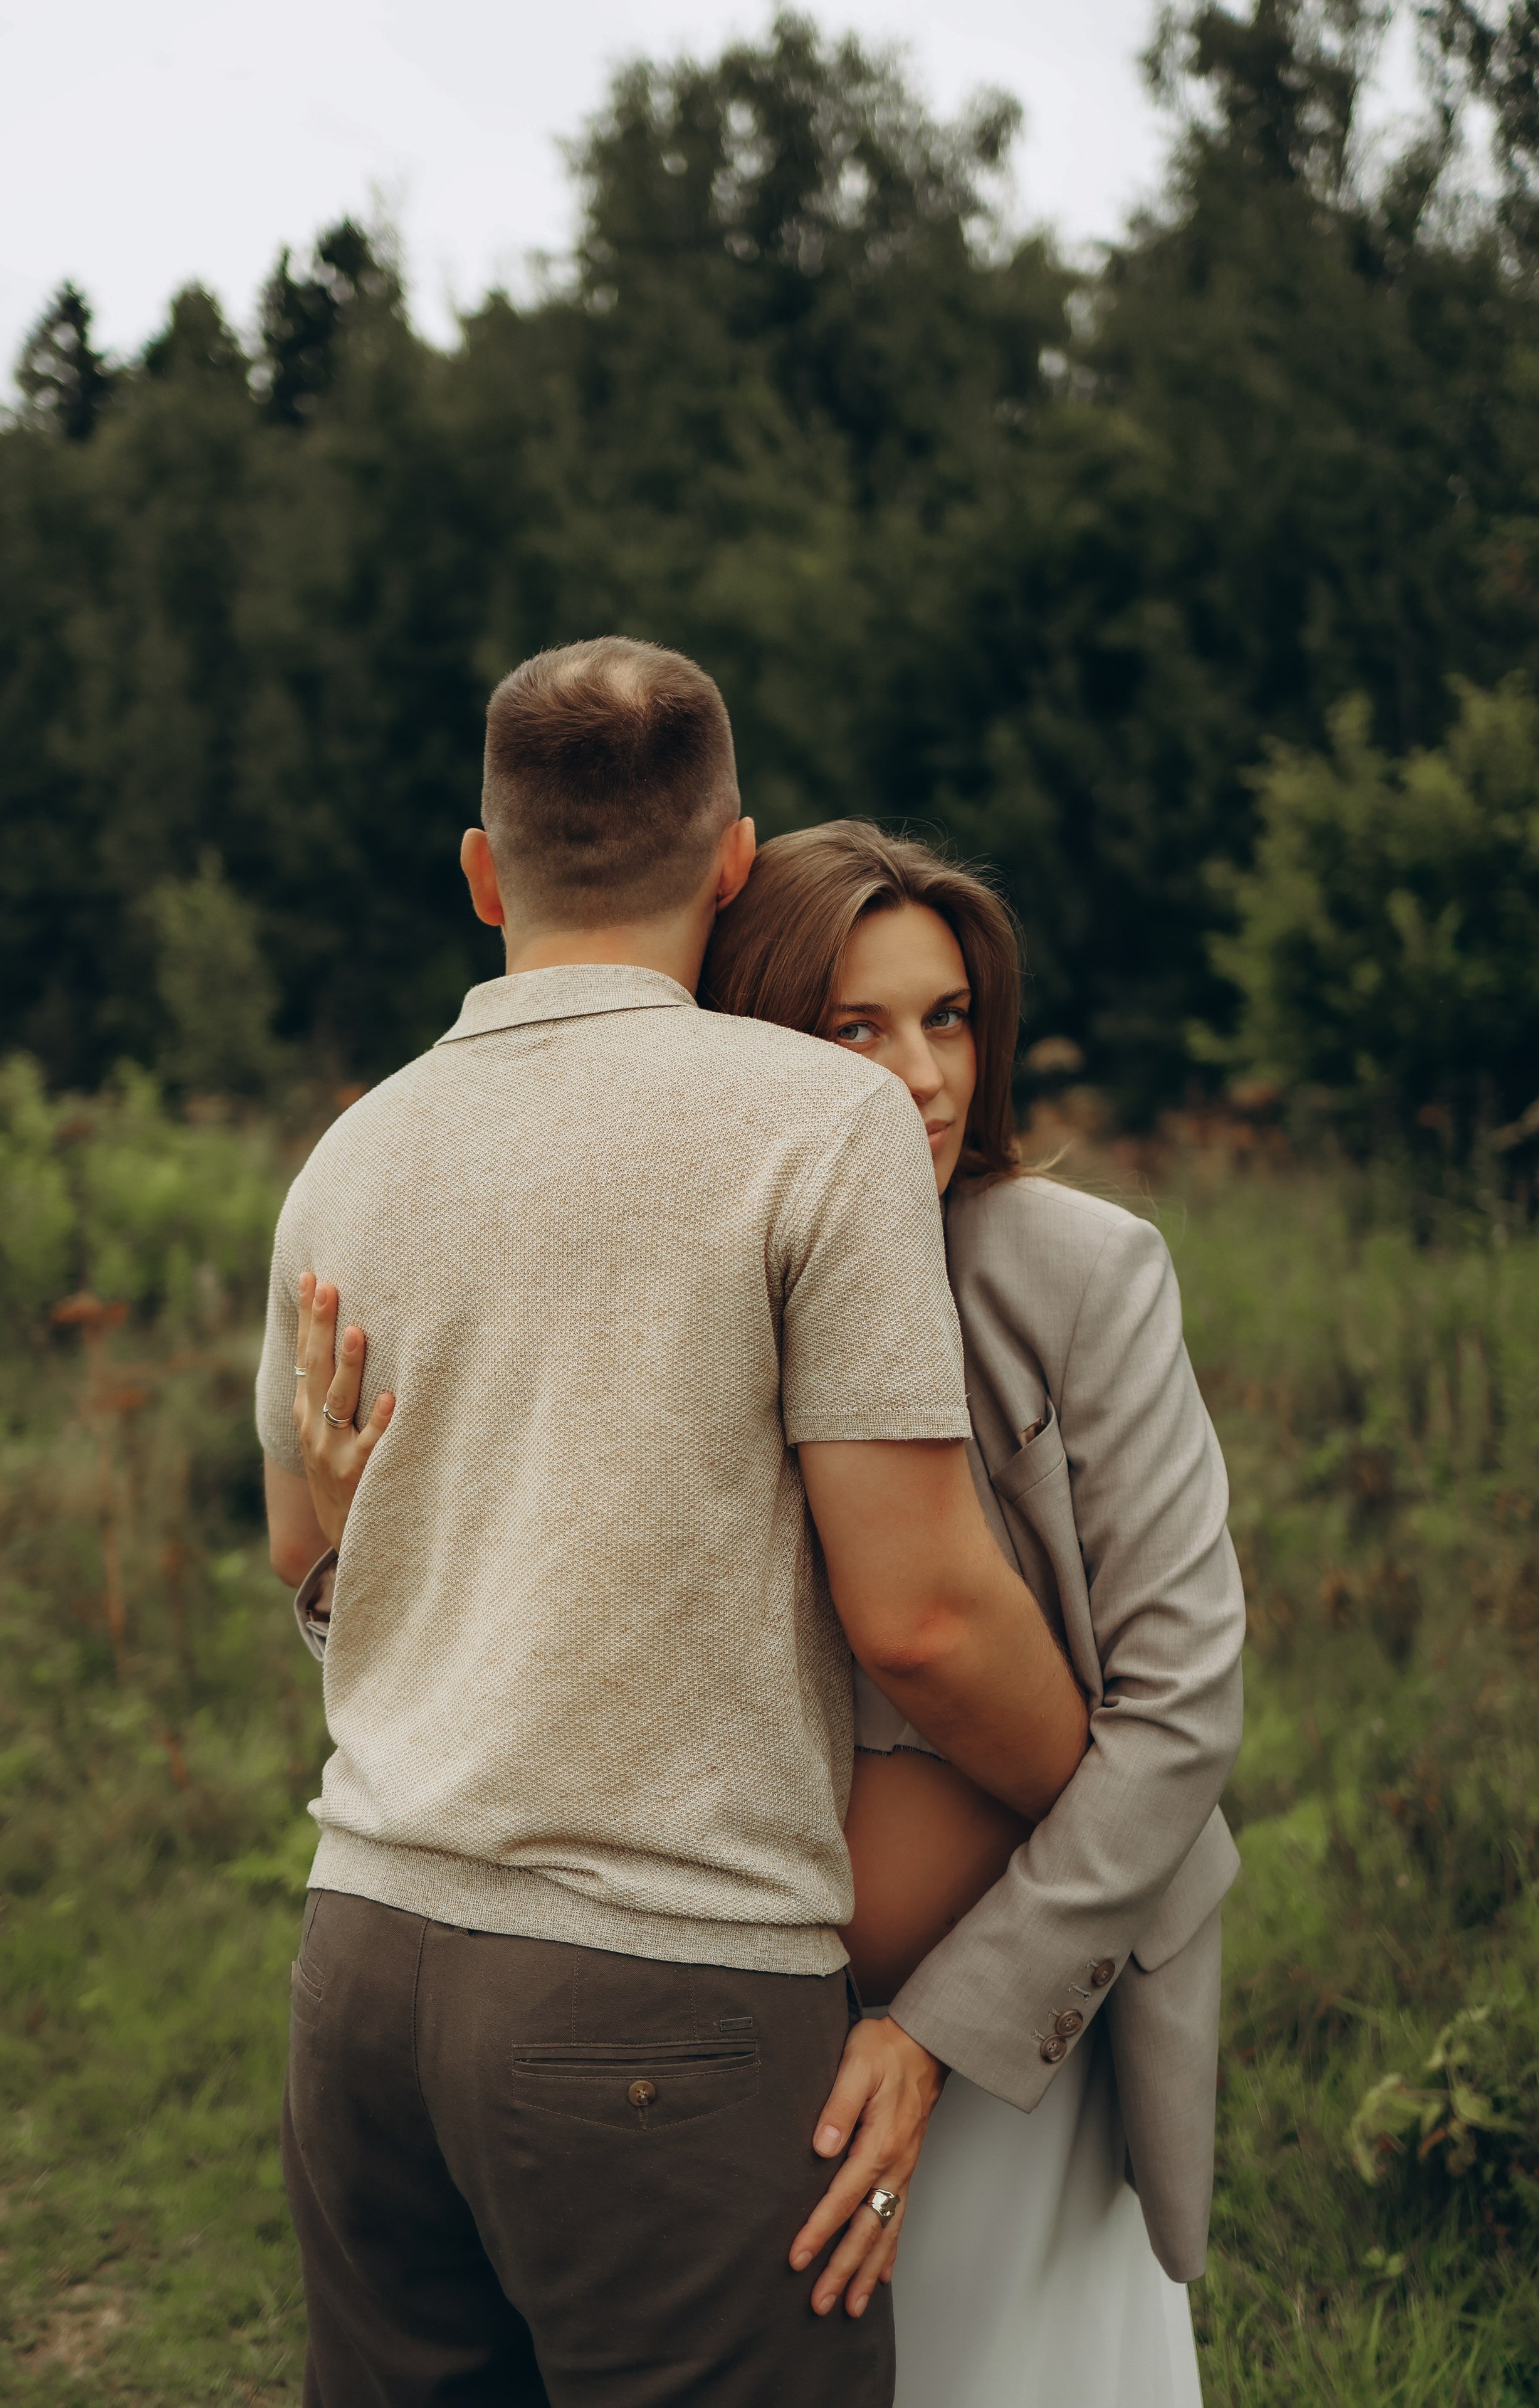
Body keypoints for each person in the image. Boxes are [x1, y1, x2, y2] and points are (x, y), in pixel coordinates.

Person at [257, 638, 1088, 2407]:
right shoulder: (822, 1124)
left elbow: (305, 1552)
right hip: (659, 2005)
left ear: (482, 870)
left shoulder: (350, 1154)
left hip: (360, 1965)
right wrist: (1113, 1780)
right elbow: (926, 1618)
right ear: (733, 862)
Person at [700, 822, 1246, 2405]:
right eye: (853, 1028)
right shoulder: (694, 1288)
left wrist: (940, 2030)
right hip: (741, 2026)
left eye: (945, 1017)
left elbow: (1184, 1715)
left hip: (1018, 2022)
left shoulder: (1078, 1274)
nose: (922, 1075)